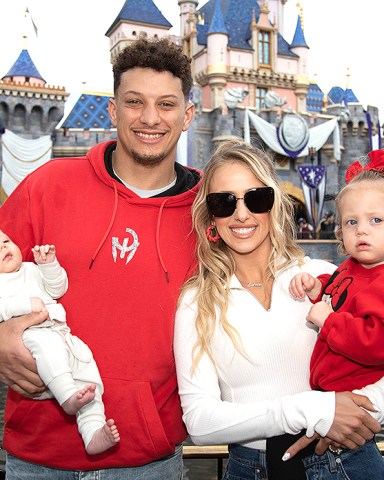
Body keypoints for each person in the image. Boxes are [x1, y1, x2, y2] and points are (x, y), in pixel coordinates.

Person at [0, 36, 201, 479]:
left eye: (166, 104)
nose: (150, 118)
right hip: (37, 456)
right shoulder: (47, 186)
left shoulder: (215, 208)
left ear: (187, 115)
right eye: (134, 102)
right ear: (113, 110)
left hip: (147, 460)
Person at [174, 140, 383, 480]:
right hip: (251, 468)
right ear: (210, 215)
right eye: (224, 202)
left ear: (274, 203)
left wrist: (360, 411)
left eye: (256, 197)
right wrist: (313, 409)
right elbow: (200, 422)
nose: (241, 214)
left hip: (343, 458)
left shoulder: (323, 277)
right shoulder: (198, 301)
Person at [289, 149, 384, 479]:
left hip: (351, 430)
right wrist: (317, 287)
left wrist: (329, 321)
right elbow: (338, 292)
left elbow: (377, 343)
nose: (362, 231)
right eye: (352, 222)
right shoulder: (351, 268)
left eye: (376, 220)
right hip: (328, 408)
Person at [0, 231, 120, 455]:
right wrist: (25, 305)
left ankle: (93, 431)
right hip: (32, 335)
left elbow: (57, 289)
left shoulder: (31, 269)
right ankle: (67, 397)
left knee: (86, 370)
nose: (4, 248)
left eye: (6, 242)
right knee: (50, 350)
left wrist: (48, 265)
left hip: (61, 332)